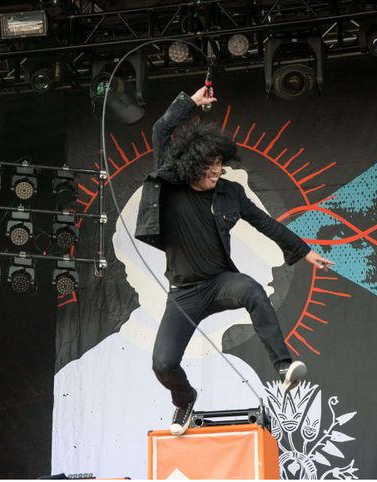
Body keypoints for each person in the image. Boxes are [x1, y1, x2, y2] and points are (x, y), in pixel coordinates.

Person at [134, 85, 335, 436]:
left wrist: (304, 252)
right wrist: (190, 103)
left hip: (220, 282)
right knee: (163, 363)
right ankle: (184, 399)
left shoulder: (231, 193)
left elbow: (266, 223)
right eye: (209, 167)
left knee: (253, 290)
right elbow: (160, 131)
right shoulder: (172, 182)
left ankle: (283, 365)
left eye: (219, 166)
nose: (216, 172)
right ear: (191, 165)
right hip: (184, 292)